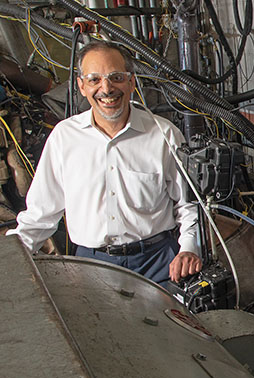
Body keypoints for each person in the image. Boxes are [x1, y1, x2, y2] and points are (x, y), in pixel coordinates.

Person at [8, 41, 201, 287]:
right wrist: (12, 256)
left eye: (116, 77)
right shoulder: (64, 137)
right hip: (91, 265)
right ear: (81, 85)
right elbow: (40, 214)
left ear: (131, 82)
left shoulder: (164, 135)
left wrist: (189, 248)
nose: (106, 89)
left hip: (158, 262)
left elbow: (189, 205)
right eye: (94, 80)